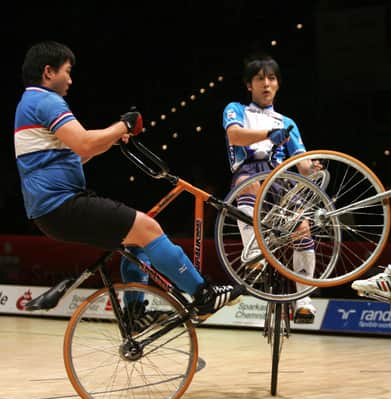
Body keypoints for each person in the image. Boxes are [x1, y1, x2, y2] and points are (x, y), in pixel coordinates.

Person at [14, 41, 243, 331]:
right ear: (48, 72)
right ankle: (203, 295)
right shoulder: (46, 101)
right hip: (62, 206)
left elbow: (80, 154)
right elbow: (84, 142)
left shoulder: (28, 104)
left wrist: (112, 135)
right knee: (148, 228)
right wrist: (124, 125)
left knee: (137, 243)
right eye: (67, 72)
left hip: (51, 211)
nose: (70, 80)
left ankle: (135, 315)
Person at [222, 55, 319, 324]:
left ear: (277, 84)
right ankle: (254, 255)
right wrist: (268, 135)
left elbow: (303, 164)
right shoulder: (236, 109)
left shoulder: (287, 122)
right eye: (259, 78)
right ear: (249, 85)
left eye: (271, 78)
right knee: (248, 185)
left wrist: (314, 167)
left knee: (303, 226)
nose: (266, 83)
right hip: (250, 170)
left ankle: (304, 300)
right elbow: (234, 135)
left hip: (280, 179)